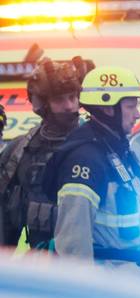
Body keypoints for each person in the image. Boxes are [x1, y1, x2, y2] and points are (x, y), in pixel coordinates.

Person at [44, 66, 140, 275]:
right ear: (108, 108)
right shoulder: (85, 160)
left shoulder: (120, 151)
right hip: (111, 287)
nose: (137, 114)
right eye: (130, 106)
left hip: (137, 280)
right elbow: (73, 245)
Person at [0, 57, 91, 249]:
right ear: (41, 104)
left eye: (73, 97)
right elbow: (5, 221)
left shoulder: (98, 145)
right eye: (59, 99)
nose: (69, 106)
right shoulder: (18, 153)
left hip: (91, 267)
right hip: (43, 269)